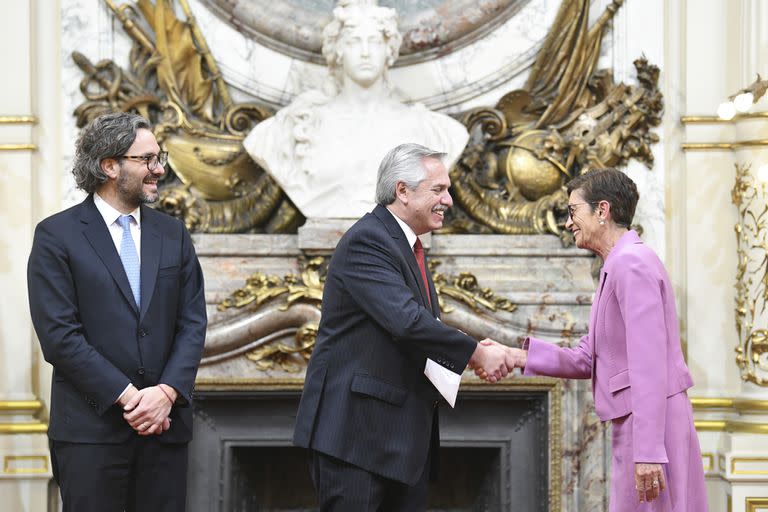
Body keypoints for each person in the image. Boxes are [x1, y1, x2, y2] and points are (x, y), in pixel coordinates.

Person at [293, 143, 509, 510]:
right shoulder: (369, 240)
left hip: (396, 440)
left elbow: (416, 328)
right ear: (403, 191)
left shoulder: (405, 245)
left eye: (448, 189)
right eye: (438, 189)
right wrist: (475, 353)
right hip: (356, 438)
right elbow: (408, 322)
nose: (450, 200)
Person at [479, 168, 708, 511]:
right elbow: (589, 357)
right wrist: (515, 355)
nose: (568, 222)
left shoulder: (630, 264)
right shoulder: (617, 264)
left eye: (573, 211)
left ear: (602, 211)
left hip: (650, 426)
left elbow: (649, 364)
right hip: (640, 421)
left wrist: (647, 450)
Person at [27, 112, 207, 512]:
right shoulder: (57, 236)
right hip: (91, 434)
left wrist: (165, 393)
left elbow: (193, 322)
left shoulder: (173, 233)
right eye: (147, 160)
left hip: (164, 430)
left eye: (158, 158)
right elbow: (59, 337)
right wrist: (129, 398)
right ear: (109, 166)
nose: (158, 169)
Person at [244, 0, 468, 219]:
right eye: (353, 42)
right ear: (338, 50)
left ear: (389, 50)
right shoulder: (295, 126)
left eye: (374, 42)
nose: (364, 52)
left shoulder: (434, 131)